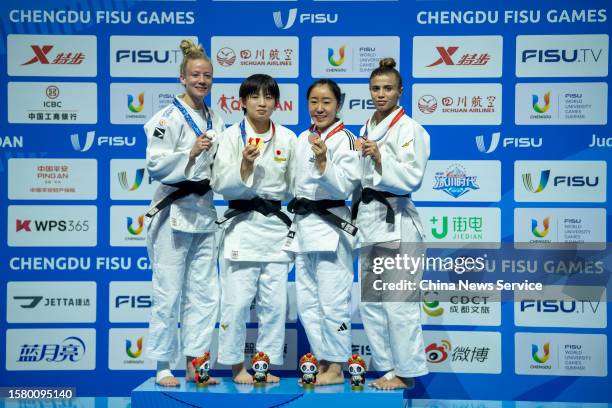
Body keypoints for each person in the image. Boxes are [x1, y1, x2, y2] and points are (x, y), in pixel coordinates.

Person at [143, 39, 224, 387]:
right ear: (182, 78)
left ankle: (196, 363)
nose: (201, 81)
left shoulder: (216, 117)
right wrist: (189, 154)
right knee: (169, 290)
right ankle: (162, 365)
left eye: (207, 76)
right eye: (195, 75)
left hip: (204, 211)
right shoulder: (165, 118)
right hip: (173, 209)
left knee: (205, 293)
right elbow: (156, 164)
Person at [212, 74, 296, 384]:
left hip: (275, 229)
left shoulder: (288, 138)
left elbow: (294, 186)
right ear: (242, 101)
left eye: (268, 97)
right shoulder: (230, 138)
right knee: (236, 303)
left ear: (276, 102)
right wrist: (245, 166)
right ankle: (236, 367)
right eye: (255, 96)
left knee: (275, 304)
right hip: (242, 228)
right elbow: (220, 183)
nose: (262, 103)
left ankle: (265, 364)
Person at [352, 58, 430, 390]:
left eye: (387, 88)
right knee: (372, 303)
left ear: (400, 91)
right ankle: (385, 369)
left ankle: (406, 372)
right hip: (370, 220)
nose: (381, 94)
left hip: (398, 221)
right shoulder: (365, 127)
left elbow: (413, 176)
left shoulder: (410, 129)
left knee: (399, 304)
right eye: (375, 88)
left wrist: (381, 156)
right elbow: (358, 178)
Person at [284, 79, 360, 385]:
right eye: (314, 101)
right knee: (307, 302)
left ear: (338, 105)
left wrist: (325, 160)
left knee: (333, 301)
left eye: (326, 102)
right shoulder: (302, 138)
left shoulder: (348, 140)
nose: (319, 108)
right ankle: (323, 358)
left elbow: (345, 186)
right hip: (303, 227)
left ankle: (338, 365)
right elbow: (294, 184)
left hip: (332, 227)